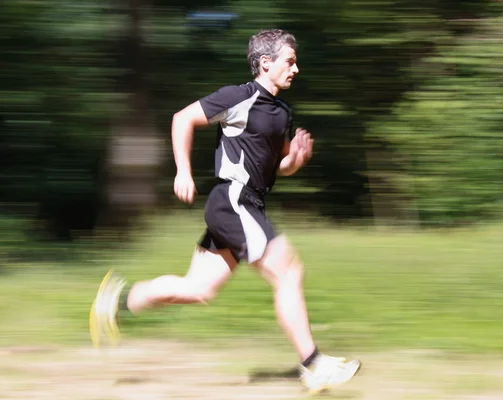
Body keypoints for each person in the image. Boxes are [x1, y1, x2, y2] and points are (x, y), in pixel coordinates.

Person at [89, 28, 361, 395]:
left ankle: (117, 300)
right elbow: (182, 119)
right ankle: (313, 365)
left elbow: (275, 166)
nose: (296, 69)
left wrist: (294, 160)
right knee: (288, 271)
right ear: (266, 63)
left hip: (245, 204)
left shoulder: (282, 112)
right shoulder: (240, 96)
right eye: (290, 61)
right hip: (233, 199)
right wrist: (183, 171)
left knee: (197, 289)